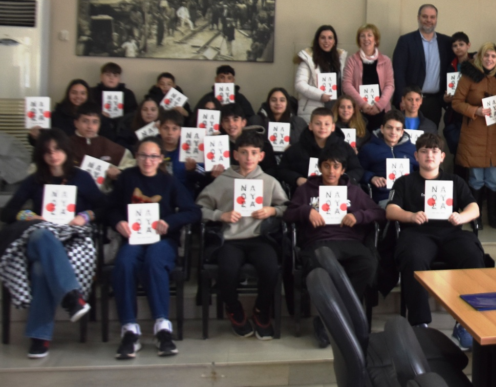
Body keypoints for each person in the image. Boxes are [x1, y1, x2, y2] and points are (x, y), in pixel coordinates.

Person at [0, 129, 103, 359]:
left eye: (57, 150)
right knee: (42, 234)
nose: (53, 155)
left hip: (71, 239)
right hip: (39, 238)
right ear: (41, 155)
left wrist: (85, 216)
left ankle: (40, 337)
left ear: (66, 150)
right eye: (47, 152)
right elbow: (7, 212)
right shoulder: (35, 180)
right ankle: (72, 297)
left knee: (40, 269)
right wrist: (30, 216)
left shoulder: (81, 177)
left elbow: (103, 206)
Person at [386, 133, 483, 348]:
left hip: (451, 233)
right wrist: (410, 216)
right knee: (412, 258)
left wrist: (461, 217)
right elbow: (391, 210)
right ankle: (420, 323)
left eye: (434, 151)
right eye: (424, 151)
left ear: (442, 157)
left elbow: (474, 207)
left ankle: (465, 323)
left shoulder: (455, 181)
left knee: (473, 255)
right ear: (416, 156)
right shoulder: (404, 182)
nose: (429, 155)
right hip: (417, 233)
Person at [107, 138, 200, 359]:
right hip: (133, 239)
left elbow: (193, 211)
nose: (148, 160)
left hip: (162, 239)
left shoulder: (169, 181)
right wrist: (118, 222)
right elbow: (109, 208)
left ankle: (162, 328)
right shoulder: (127, 178)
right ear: (136, 157)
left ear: (160, 159)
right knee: (124, 263)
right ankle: (129, 329)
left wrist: (170, 222)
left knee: (154, 261)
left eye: (153, 156)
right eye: (143, 155)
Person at [285, 144, 384, 347]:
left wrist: (358, 216)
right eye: (327, 166)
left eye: (336, 166)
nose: (331, 171)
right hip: (318, 241)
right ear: (320, 167)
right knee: (323, 267)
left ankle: (328, 320)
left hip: (350, 241)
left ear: (343, 169)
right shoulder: (306, 190)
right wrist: (306, 211)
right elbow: (288, 214)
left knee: (368, 264)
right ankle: (335, 320)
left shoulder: (353, 191)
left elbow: (379, 213)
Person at [196, 131, 288, 340]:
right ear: (235, 155)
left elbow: (286, 207)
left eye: (254, 153)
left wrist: (271, 211)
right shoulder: (222, 181)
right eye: (244, 152)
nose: (248, 157)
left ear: (261, 156)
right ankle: (234, 308)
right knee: (227, 270)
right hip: (230, 239)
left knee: (270, 267)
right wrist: (220, 215)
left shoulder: (269, 181)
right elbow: (200, 208)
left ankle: (261, 310)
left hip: (259, 238)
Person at [451, 42, 496, 228]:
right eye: (486, 55)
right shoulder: (468, 77)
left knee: (494, 179)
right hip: (474, 133)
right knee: (476, 179)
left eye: (493, 56)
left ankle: (493, 216)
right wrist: (475, 110)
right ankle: (476, 217)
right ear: (480, 57)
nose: (489, 59)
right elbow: (456, 102)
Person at [391, 4, 453, 126]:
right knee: (408, 135)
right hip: (410, 102)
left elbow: (456, 62)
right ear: (418, 18)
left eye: (432, 17)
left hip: (434, 102)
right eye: (425, 16)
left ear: (436, 19)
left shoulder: (446, 42)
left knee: (431, 135)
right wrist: (401, 99)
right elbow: (398, 72)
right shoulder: (406, 41)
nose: (428, 20)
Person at [278, 107, 363, 192]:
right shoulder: (296, 148)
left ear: (333, 127)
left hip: (338, 191)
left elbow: (357, 169)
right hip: (306, 192)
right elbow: (282, 170)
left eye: (327, 124)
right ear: (310, 126)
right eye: (318, 124)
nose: (322, 127)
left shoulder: (344, 147)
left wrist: (342, 180)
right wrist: (297, 179)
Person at [358, 110, 418, 206]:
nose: (393, 132)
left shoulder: (413, 149)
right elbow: (358, 170)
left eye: (397, 129)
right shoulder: (368, 149)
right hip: (384, 196)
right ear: (382, 129)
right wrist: (371, 177)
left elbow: (421, 170)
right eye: (389, 128)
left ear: (402, 132)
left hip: (410, 196)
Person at [342, 23, 393, 132]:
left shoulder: (386, 61)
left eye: (369, 35)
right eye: (362, 36)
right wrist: (363, 104)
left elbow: (390, 85)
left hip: (381, 110)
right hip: (359, 110)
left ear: (376, 39)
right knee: (361, 137)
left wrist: (379, 106)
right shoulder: (352, 60)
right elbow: (346, 85)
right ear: (359, 40)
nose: (366, 39)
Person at [68, 103, 134, 185]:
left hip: (104, 191)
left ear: (100, 124)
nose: (90, 126)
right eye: (85, 121)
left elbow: (131, 164)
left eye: (95, 122)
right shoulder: (66, 144)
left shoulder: (106, 144)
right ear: (76, 123)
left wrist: (118, 171)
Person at [295, 25, 347, 123]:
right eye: (323, 38)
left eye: (330, 38)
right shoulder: (308, 59)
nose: (326, 41)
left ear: (334, 41)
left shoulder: (339, 59)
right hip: (312, 109)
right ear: (317, 40)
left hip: (335, 110)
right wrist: (320, 95)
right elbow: (299, 84)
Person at [249, 87, 308, 161]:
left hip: (291, 161)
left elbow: (305, 146)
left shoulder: (298, 122)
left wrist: (293, 149)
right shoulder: (257, 121)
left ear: (287, 103)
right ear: (268, 102)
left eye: (282, 100)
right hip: (263, 161)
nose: (278, 103)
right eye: (274, 100)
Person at [155, 110, 205, 194]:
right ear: (159, 129)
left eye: (174, 129)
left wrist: (192, 170)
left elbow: (204, 176)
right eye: (166, 128)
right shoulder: (152, 148)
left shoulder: (191, 149)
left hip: (184, 195)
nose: (170, 133)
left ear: (181, 131)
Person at [442, 31, 473, 162]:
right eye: (455, 46)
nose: (458, 48)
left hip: (471, 111)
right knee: (457, 150)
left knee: (471, 148)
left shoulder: (476, 63)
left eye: (461, 44)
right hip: (455, 113)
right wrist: (445, 99)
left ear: (468, 45)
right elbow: (444, 89)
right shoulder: (450, 66)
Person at [90, 62, 140, 141]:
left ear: (119, 79)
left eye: (115, 76)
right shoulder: (92, 92)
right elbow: (87, 110)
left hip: (122, 130)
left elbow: (133, 113)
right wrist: (99, 112)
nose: (111, 78)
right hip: (98, 129)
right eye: (108, 75)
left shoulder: (128, 93)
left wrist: (121, 118)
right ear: (101, 77)